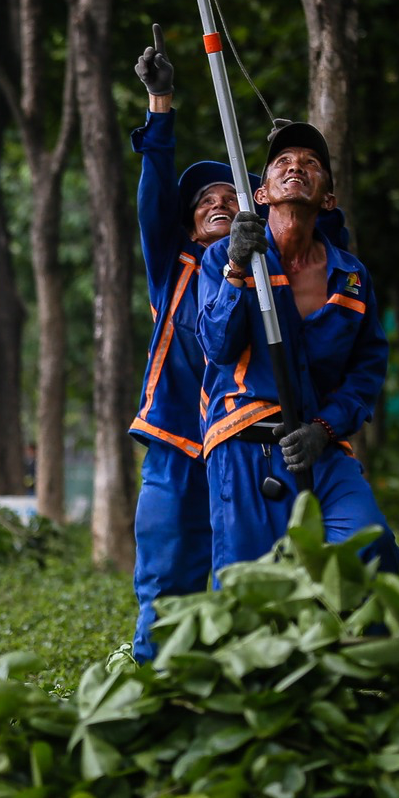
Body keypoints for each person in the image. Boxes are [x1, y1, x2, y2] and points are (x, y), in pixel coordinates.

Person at [195, 120, 399, 575]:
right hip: (243, 445)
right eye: (283, 162)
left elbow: (367, 372)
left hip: (322, 447)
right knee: (245, 591)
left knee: (372, 549)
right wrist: (235, 267)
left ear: (327, 198)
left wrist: (324, 429)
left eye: (311, 164)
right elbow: (217, 347)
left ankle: (358, 646)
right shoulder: (224, 258)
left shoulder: (352, 276)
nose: (296, 167)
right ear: (262, 193)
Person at [126, 35, 251, 661]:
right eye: (206, 201)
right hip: (177, 441)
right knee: (166, 580)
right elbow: (154, 188)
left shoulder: (263, 275)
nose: (220, 205)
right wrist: (160, 102)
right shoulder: (171, 264)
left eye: (232, 199)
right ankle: (153, 688)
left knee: (249, 587)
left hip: (248, 446)